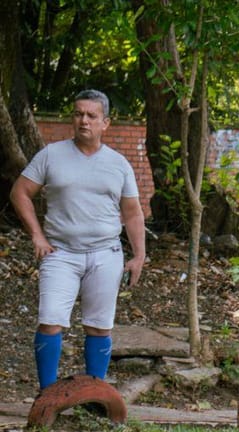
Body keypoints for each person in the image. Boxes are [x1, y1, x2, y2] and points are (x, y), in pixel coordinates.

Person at [10, 89, 145, 392]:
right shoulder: (51, 155)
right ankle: (47, 395)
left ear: (105, 123)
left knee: (99, 325)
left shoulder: (119, 164)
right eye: (78, 113)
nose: (83, 120)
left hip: (105, 254)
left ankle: (95, 394)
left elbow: (133, 213)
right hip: (60, 253)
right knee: (50, 321)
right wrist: (37, 235)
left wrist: (139, 256)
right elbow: (20, 192)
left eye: (91, 115)